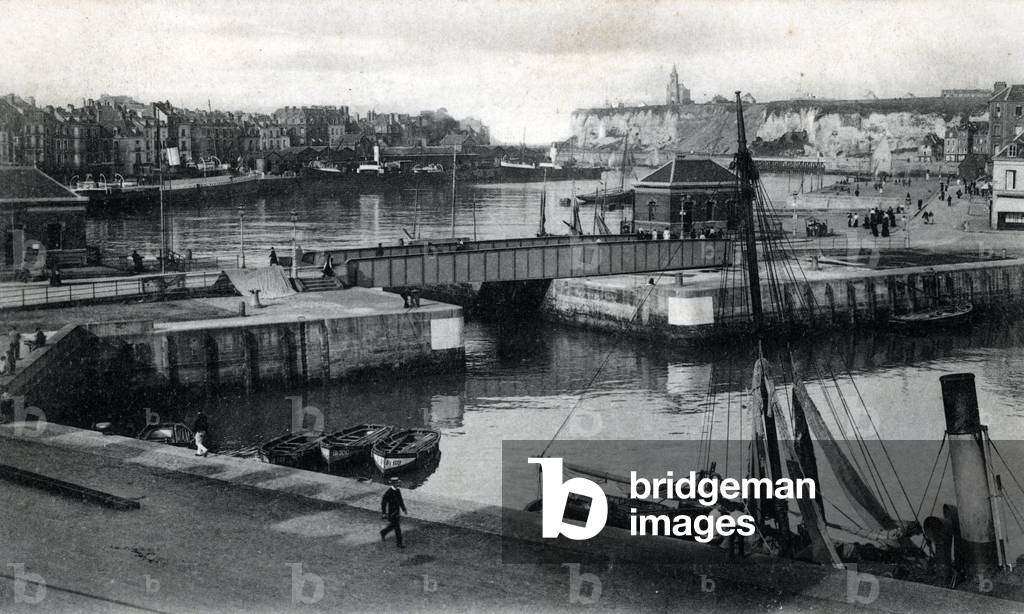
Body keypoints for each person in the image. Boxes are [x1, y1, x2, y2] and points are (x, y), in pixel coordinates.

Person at [380, 477, 407, 548]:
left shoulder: (398, 490)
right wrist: (383, 513)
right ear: (394, 484)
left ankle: (383, 532)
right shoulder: (389, 492)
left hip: (397, 512)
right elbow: (383, 503)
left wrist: (404, 509)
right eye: (397, 482)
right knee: (397, 528)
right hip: (392, 513)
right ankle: (399, 543)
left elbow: (400, 500)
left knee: (393, 526)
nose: (398, 483)